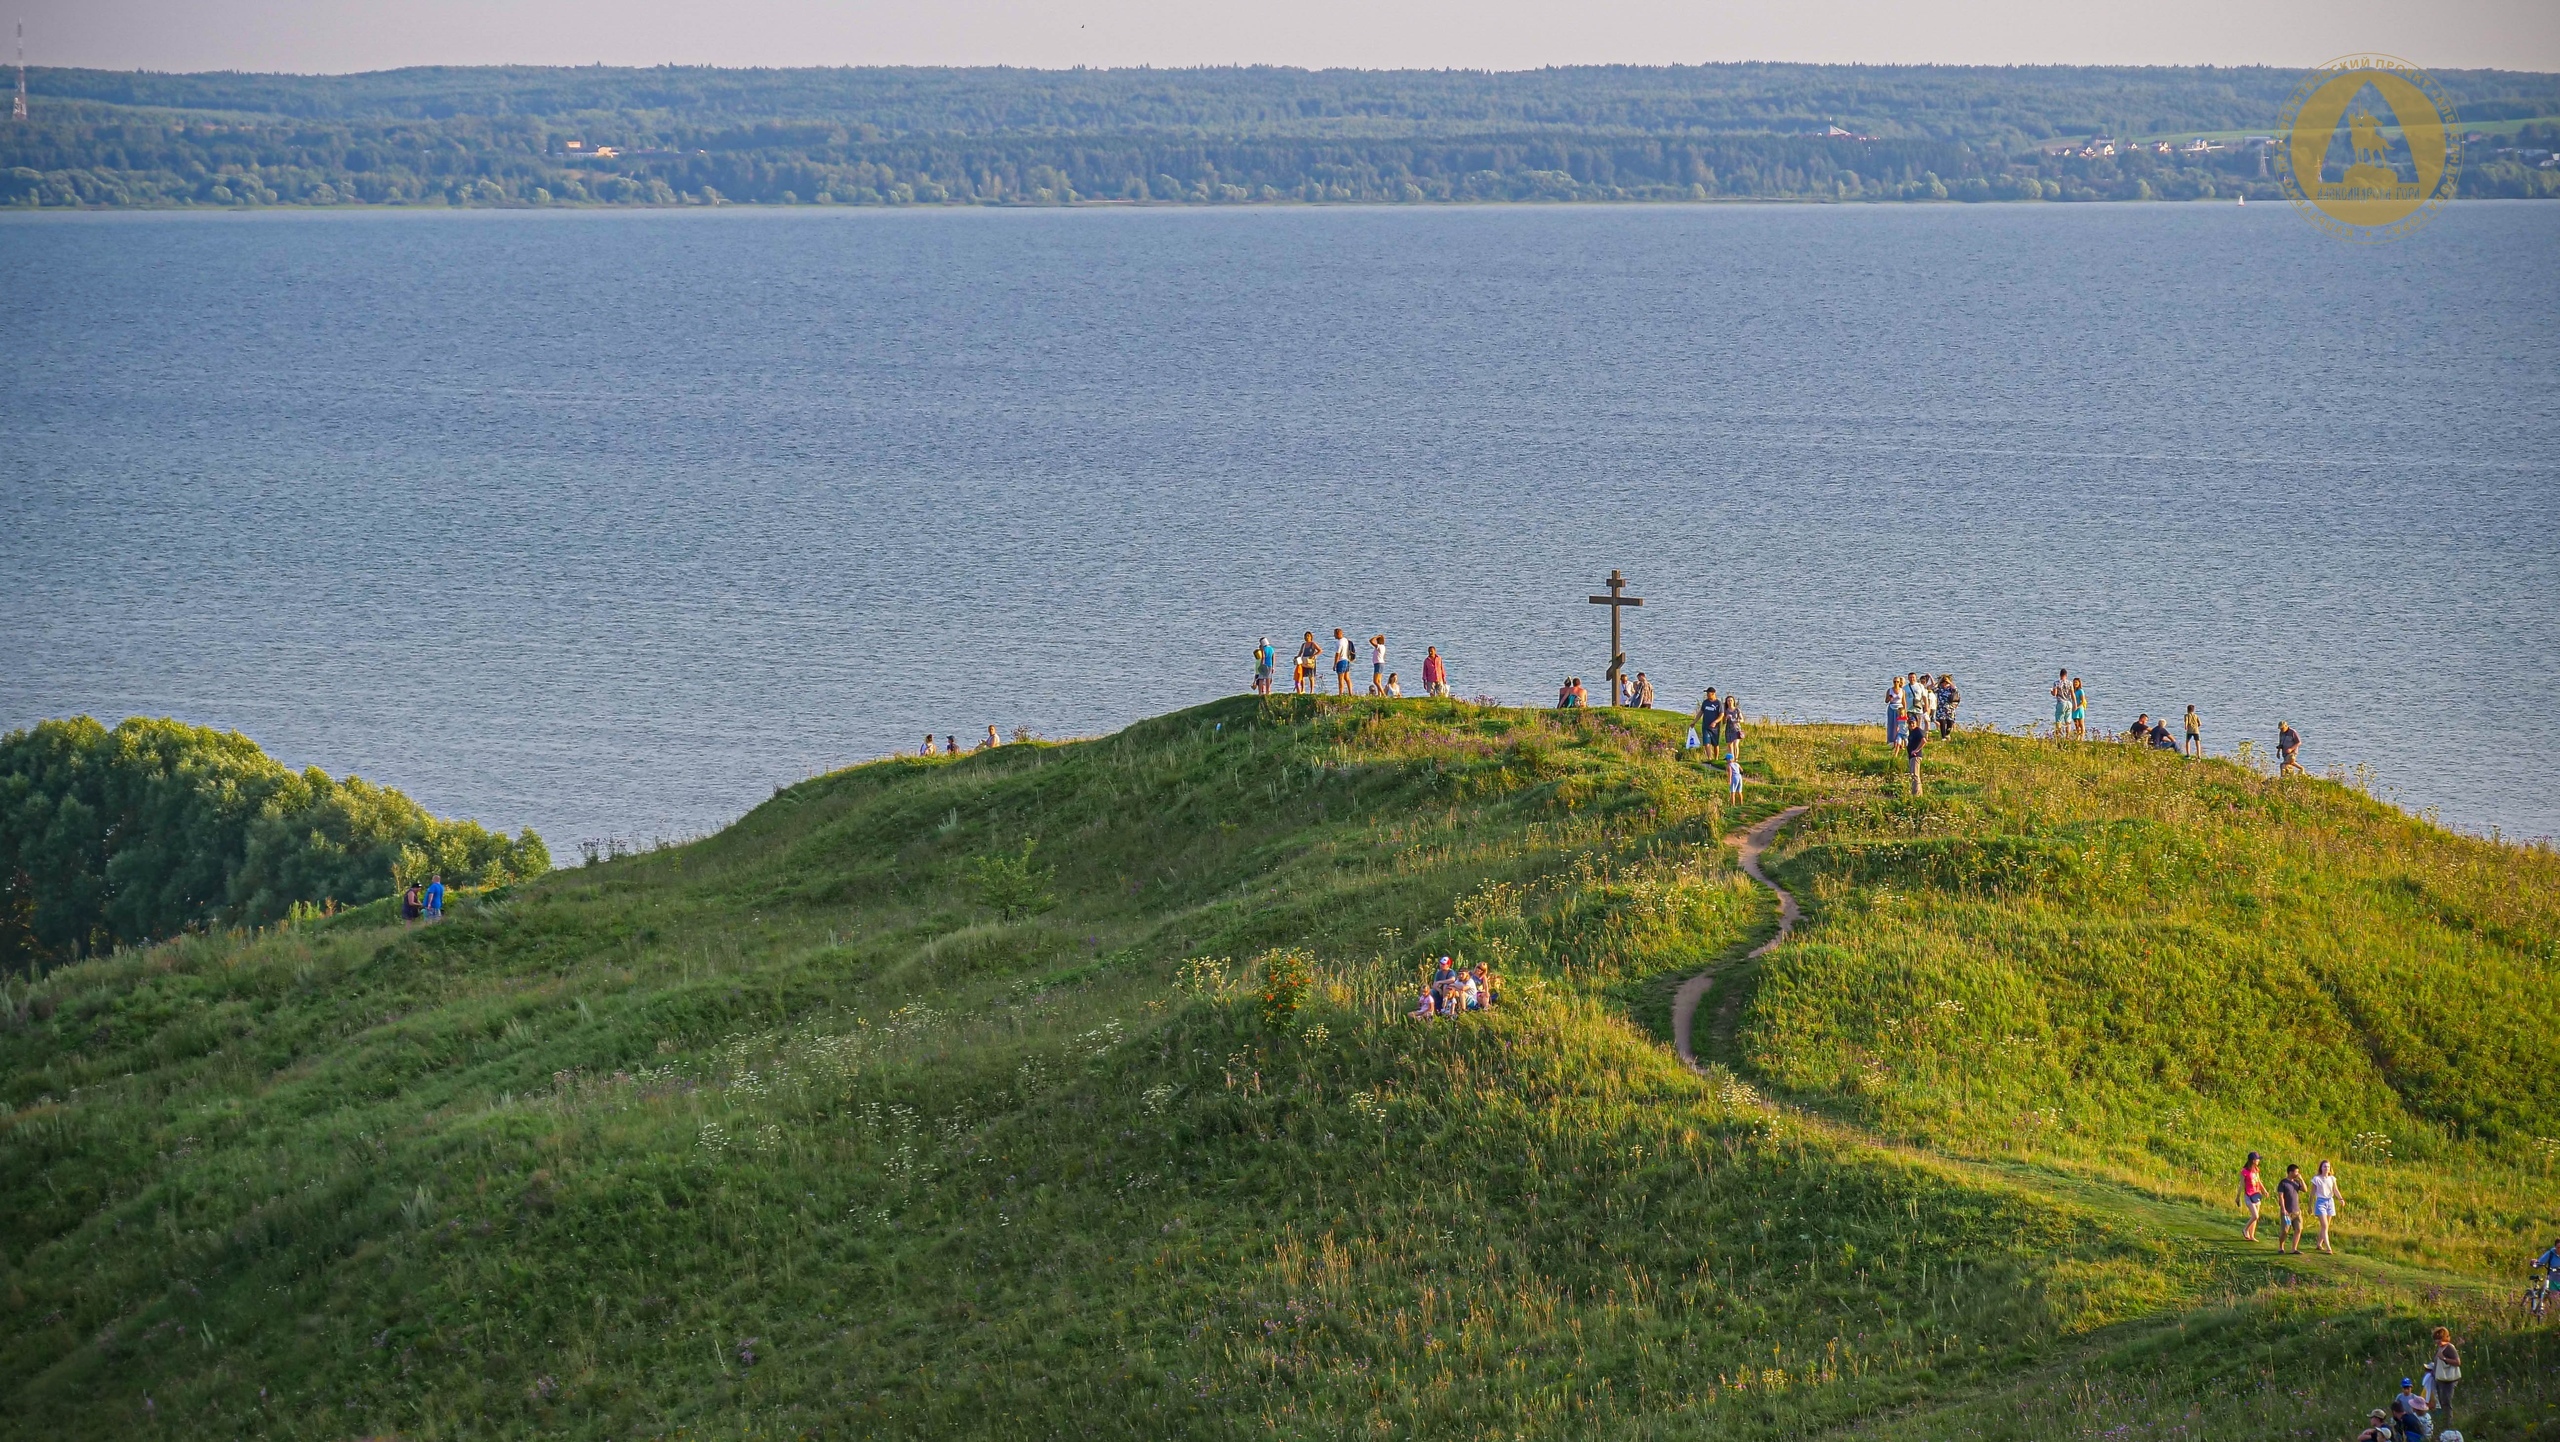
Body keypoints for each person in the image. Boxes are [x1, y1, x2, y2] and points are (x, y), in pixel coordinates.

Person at [2428, 1326, 2461, 1427]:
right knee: (2442, 1402)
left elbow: (2457, 1362)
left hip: (2449, 1380)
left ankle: (2448, 1424)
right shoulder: (2440, 1348)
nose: (2437, 1341)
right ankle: (2444, 1421)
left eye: (2439, 1338)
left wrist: (2444, 1359)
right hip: (2440, 1379)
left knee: (2446, 1402)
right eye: (2436, 1339)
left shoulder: (2449, 1348)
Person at [2309, 1159, 2342, 1253]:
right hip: (2320, 1202)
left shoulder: (2332, 1178)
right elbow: (2312, 1193)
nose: (2326, 1168)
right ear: (2321, 1168)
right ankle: (2328, 1247)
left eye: (2328, 1166)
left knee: (2326, 1226)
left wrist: (2341, 1199)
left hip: (2330, 1201)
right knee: (2325, 1225)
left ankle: (2319, 1244)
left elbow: (2335, 1190)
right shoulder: (2316, 1179)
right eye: (2324, 1166)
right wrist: (2310, 1206)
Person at [2274, 1163, 2305, 1253]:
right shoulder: (2283, 1182)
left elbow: (2305, 1189)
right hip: (2287, 1212)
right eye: (2296, 1172)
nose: (2297, 1174)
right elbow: (2281, 1196)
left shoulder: (2296, 1182)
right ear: (2290, 1172)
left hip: (2297, 1211)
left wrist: (2301, 1179)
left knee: (2299, 1229)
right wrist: (2283, 1209)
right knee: (2285, 1231)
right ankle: (2281, 1247)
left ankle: (2294, 1249)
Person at [2238, 1152, 2265, 1241]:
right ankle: (2245, 1229)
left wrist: (2264, 1190)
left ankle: (2251, 1236)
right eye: (2257, 1159)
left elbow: (2259, 1181)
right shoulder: (2244, 1171)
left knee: (2255, 1217)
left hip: (2256, 1194)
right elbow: (2241, 1185)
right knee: (2255, 1216)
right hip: (2249, 1195)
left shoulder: (2256, 1170)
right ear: (2253, 1160)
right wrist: (2238, 1197)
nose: (2259, 1161)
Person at [1905, 712, 1927, 797]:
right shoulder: (1912, 732)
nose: (1911, 725)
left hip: (1916, 756)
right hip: (1912, 757)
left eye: (1913, 723)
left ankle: (1916, 794)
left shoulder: (1918, 731)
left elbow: (1924, 741)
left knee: (1915, 775)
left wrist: (1916, 750)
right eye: (1910, 723)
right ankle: (1917, 793)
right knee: (1913, 775)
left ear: (1916, 723)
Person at [1332, 629, 1354, 696]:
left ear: (1338, 634)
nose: (1334, 635)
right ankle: (1350, 693)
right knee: (1347, 678)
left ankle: (1340, 694)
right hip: (1346, 660)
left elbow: (1337, 654)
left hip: (1341, 661)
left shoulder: (1339, 642)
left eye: (1334, 634)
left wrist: (1335, 664)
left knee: (1340, 679)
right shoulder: (1345, 640)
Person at [2052, 668, 2072, 737]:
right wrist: (2075, 704)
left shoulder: (2056, 683)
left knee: (2058, 720)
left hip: (2061, 703)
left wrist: (2051, 692)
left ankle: (2058, 735)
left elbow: (2055, 694)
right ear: (2066, 675)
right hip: (2069, 703)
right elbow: (2072, 694)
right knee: (2068, 721)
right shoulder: (2070, 683)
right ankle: (2067, 736)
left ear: (2060, 675)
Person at [1885, 680, 1905, 746]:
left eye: (1897, 681)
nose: (1896, 683)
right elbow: (1886, 701)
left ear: (1899, 682)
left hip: (1900, 709)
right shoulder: (1889, 690)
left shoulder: (1902, 691)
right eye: (1894, 681)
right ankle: (1890, 740)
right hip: (1891, 707)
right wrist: (1889, 698)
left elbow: (1904, 701)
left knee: (1900, 724)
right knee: (1891, 724)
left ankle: (1899, 740)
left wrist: (1905, 711)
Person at [2071, 676, 2087, 740]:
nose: (2075, 683)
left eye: (2076, 682)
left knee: (2081, 724)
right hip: (2074, 708)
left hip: (2079, 708)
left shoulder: (2081, 691)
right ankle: (2078, 735)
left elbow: (2083, 701)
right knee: (2076, 724)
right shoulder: (2072, 691)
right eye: (2074, 682)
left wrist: (2077, 707)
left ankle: (2082, 737)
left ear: (2079, 683)